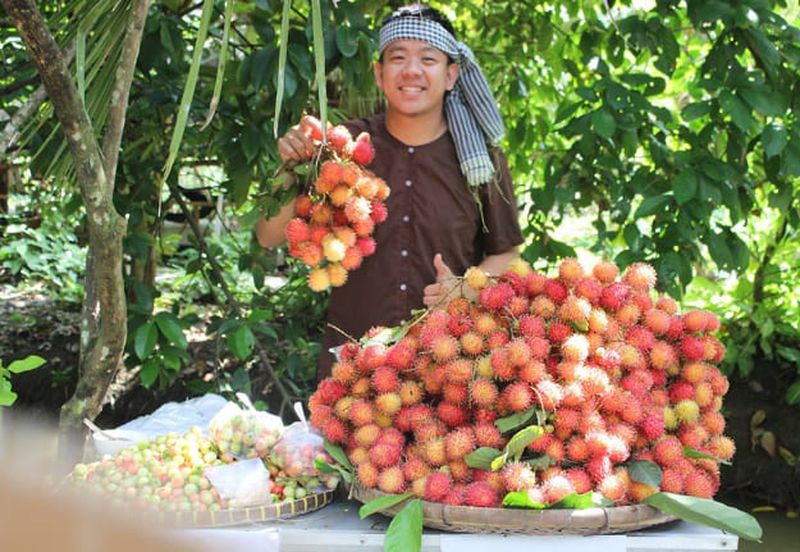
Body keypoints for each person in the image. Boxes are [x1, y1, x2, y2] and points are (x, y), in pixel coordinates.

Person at [256, 4, 524, 379]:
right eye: (398, 58)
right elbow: (269, 237)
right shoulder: (342, 148)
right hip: (351, 368)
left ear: (451, 75)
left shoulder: (480, 159)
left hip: (448, 367)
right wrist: (290, 167)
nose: (412, 71)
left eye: (427, 59)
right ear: (379, 74)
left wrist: (465, 289)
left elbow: (507, 253)